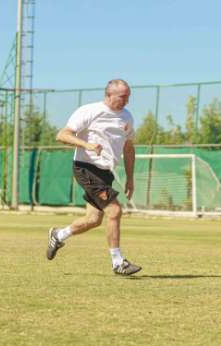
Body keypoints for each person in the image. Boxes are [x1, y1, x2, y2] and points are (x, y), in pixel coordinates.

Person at [46, 79, 142, 276]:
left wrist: (130, 178)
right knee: (114, 211)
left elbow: (129, 148)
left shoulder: (127, 117)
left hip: (105, 173)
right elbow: (62, 135)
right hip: (85, 167)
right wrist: (87, 145)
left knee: (93, 220)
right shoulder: (89, 111)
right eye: (122, 97)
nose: (126, 101)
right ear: (108, 95)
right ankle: (118, 262)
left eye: (128, 97)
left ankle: (59, 235)